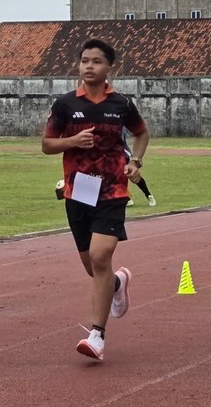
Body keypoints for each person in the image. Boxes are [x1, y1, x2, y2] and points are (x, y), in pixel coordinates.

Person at [42, 38, 149, 362]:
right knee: (94, 267)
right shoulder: (64, 105)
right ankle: (117, 283)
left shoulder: (120, 104)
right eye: (85, 60)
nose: (89, 66)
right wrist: (73, 140)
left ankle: (97, 335)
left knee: (102, 256)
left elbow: (141, 133)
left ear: (109, 68)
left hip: (113, 190)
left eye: (97, 61)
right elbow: (47, 144)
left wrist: (136, 162)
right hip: (78, 192)